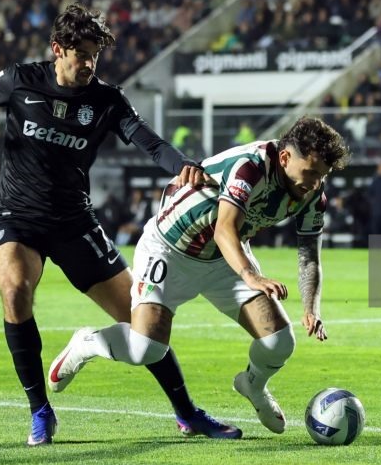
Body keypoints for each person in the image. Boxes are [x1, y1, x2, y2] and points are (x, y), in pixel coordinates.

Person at [0, 3, 240, 446]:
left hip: (74, 221)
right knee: (15, 292)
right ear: (57, 49)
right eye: (81, 54)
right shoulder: (20, 80)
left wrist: (184, 166)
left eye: (95, 55)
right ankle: (40, 411)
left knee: (143, 320)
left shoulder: (107, 100)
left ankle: (187, 413)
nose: (89, 64)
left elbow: (150, 143)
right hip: (19, 218)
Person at [48, 117, 350, 434]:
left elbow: (309, 254)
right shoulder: (250, 166)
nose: (315, 183)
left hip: (222, 259)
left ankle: (253, 384)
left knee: (279, 342)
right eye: (311, 172)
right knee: (145, 349)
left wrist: (311, 308)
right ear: (285, 157)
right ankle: (87, 342)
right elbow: (224, 229)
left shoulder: (312, 193)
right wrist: (251, 276)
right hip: (169, 249)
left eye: (322, 175)